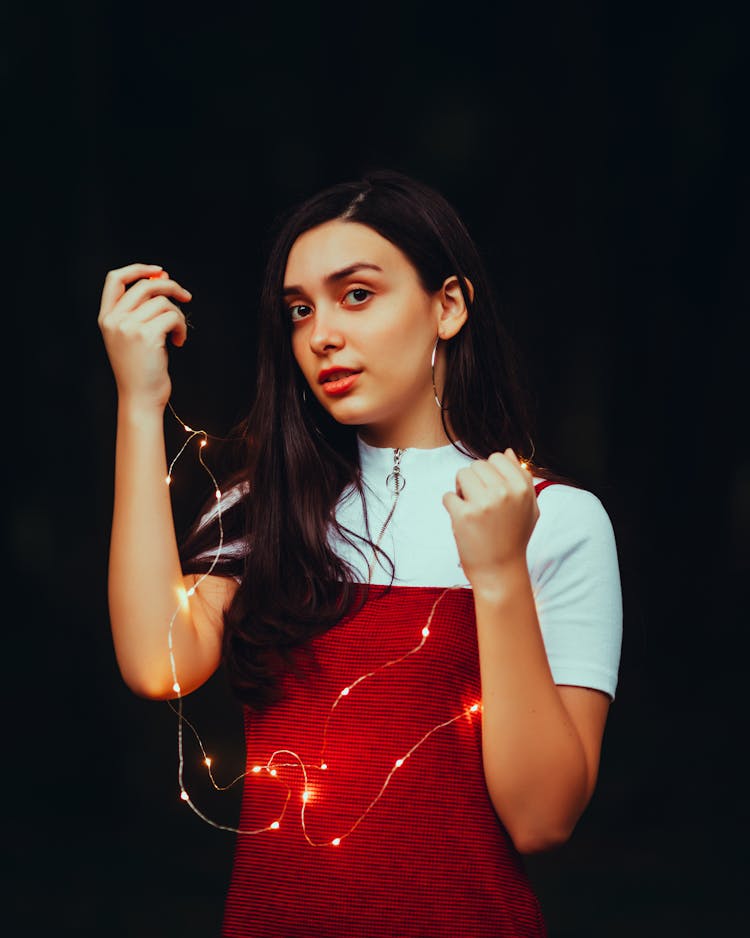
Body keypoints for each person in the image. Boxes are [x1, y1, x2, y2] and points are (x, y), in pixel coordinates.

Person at [98, 169, 622, 937]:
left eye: (357, 295)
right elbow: (159, 665)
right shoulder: (266, 508)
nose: (321, 335)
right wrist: (139, 403)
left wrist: (500, 573)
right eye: (299, 310)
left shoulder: (554, 519)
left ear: (448, 306)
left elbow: (542, 820)